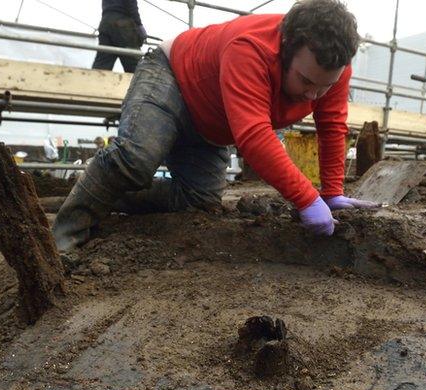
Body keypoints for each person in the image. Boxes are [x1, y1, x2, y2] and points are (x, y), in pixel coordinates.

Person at [55, 0, 378, 252]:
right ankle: (63, 240)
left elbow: (332, 127)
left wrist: (332, 192)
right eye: (306, 81)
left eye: (324, 87)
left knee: (197, 201)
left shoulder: (332, 67)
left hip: (212, 124)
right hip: (173, 79)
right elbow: (253, 136)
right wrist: (307, 199)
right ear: (285, 48)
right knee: (135, 161)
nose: (313, 94)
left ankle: (98, 190)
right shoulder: (251, 48)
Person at [92, 0, 147, 73]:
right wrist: (139, 24)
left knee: (102, 65)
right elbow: (131, 4)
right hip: (122, 24)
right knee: (135, 65)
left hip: (105, 22)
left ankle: (94, 82)